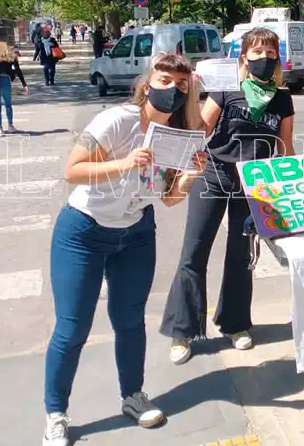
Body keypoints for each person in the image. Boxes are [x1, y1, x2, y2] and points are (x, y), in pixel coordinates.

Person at [43, 53, 205, 446]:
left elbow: (165, 198)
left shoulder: (180, 134)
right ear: (147, 83)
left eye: (181, 85)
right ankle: (56, 413)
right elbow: (73, 170)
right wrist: (126, 163)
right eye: (163, 80)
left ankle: (132, 396)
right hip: (83, 231)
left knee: (130, 321)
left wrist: (188, 179)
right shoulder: (118, 119)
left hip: (135, 233)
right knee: (72, 328)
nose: (172, 89)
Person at [160, 27, 295, 364]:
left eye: (270, 53)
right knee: (194, 252)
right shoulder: (226, 91)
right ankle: (182, 331)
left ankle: (235, 324)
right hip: (214, 177)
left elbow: (286, 148)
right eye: (257, 52)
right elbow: (200, 131)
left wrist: (290, 185)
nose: (264, 58)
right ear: (244, 57)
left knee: (240, 257)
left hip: (254, 187)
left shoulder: (282, 98)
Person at [0, 41, 28, 137]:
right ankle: (10, 125)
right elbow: (18, 70)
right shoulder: (10, 56)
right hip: (5, 81)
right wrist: (24, 84)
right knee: (8, 105)